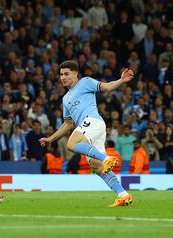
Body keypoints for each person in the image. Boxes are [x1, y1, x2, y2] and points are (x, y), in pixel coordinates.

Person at [39, 60, 134, 207]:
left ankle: (106, 158)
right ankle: (123, 195)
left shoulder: (85, 82)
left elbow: (107, 87)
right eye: (61, 74)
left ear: (75, 73)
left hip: (93, 121)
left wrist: (121, 80)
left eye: (66, 74)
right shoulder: (65, 99)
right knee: (97, 167)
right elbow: (68, 124)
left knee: (72, 144)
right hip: (90, 129)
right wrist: (50, 139)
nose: (63, 77)